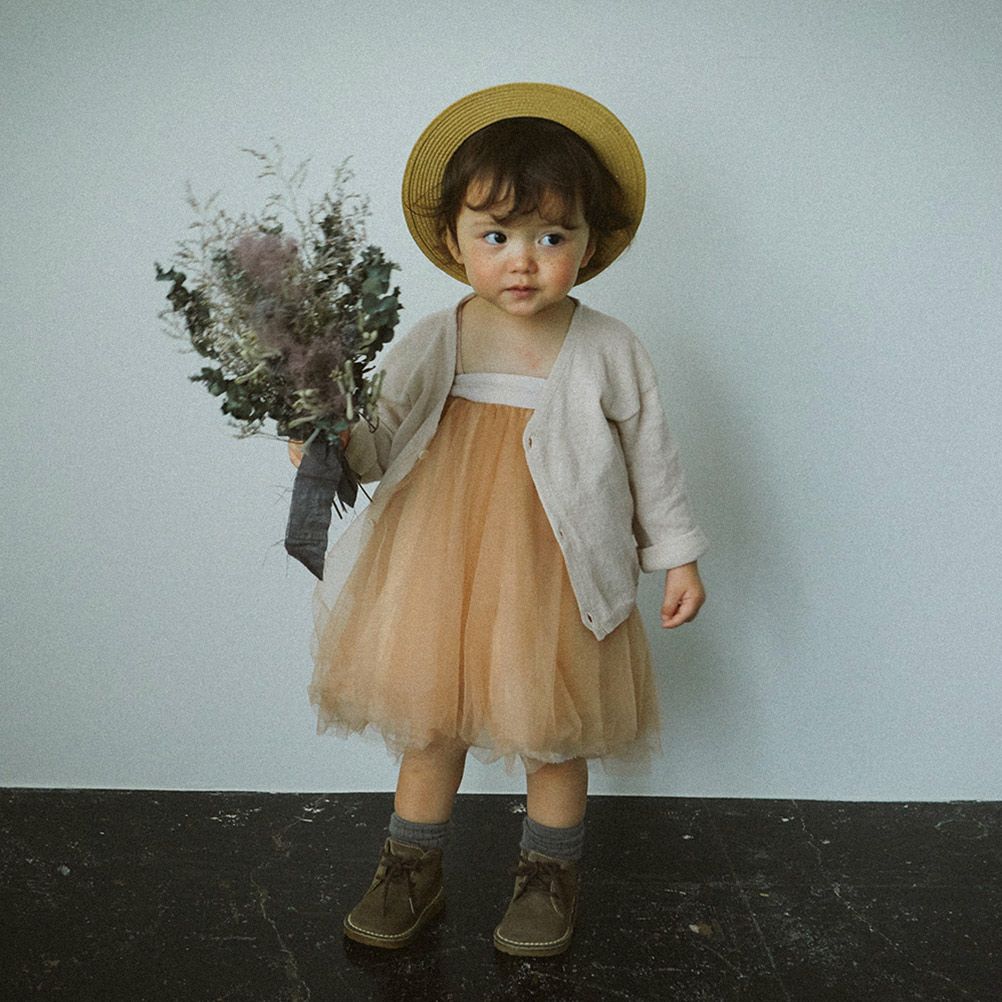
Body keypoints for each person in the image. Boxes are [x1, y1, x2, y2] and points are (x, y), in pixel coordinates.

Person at [288, 82, 709, 957]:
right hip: (438, 563)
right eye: (497, 236)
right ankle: (411, 867)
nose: (523, 261)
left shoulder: (609, 347)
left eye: (551, 237)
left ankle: (549, 877)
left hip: (556, 570)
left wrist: (677, 555)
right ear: (453, 242)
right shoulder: (435, 336)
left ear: (589, 245)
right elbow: (381, 443)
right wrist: (325, 441)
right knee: (430, 721)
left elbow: (653, 459)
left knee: (554, 730)